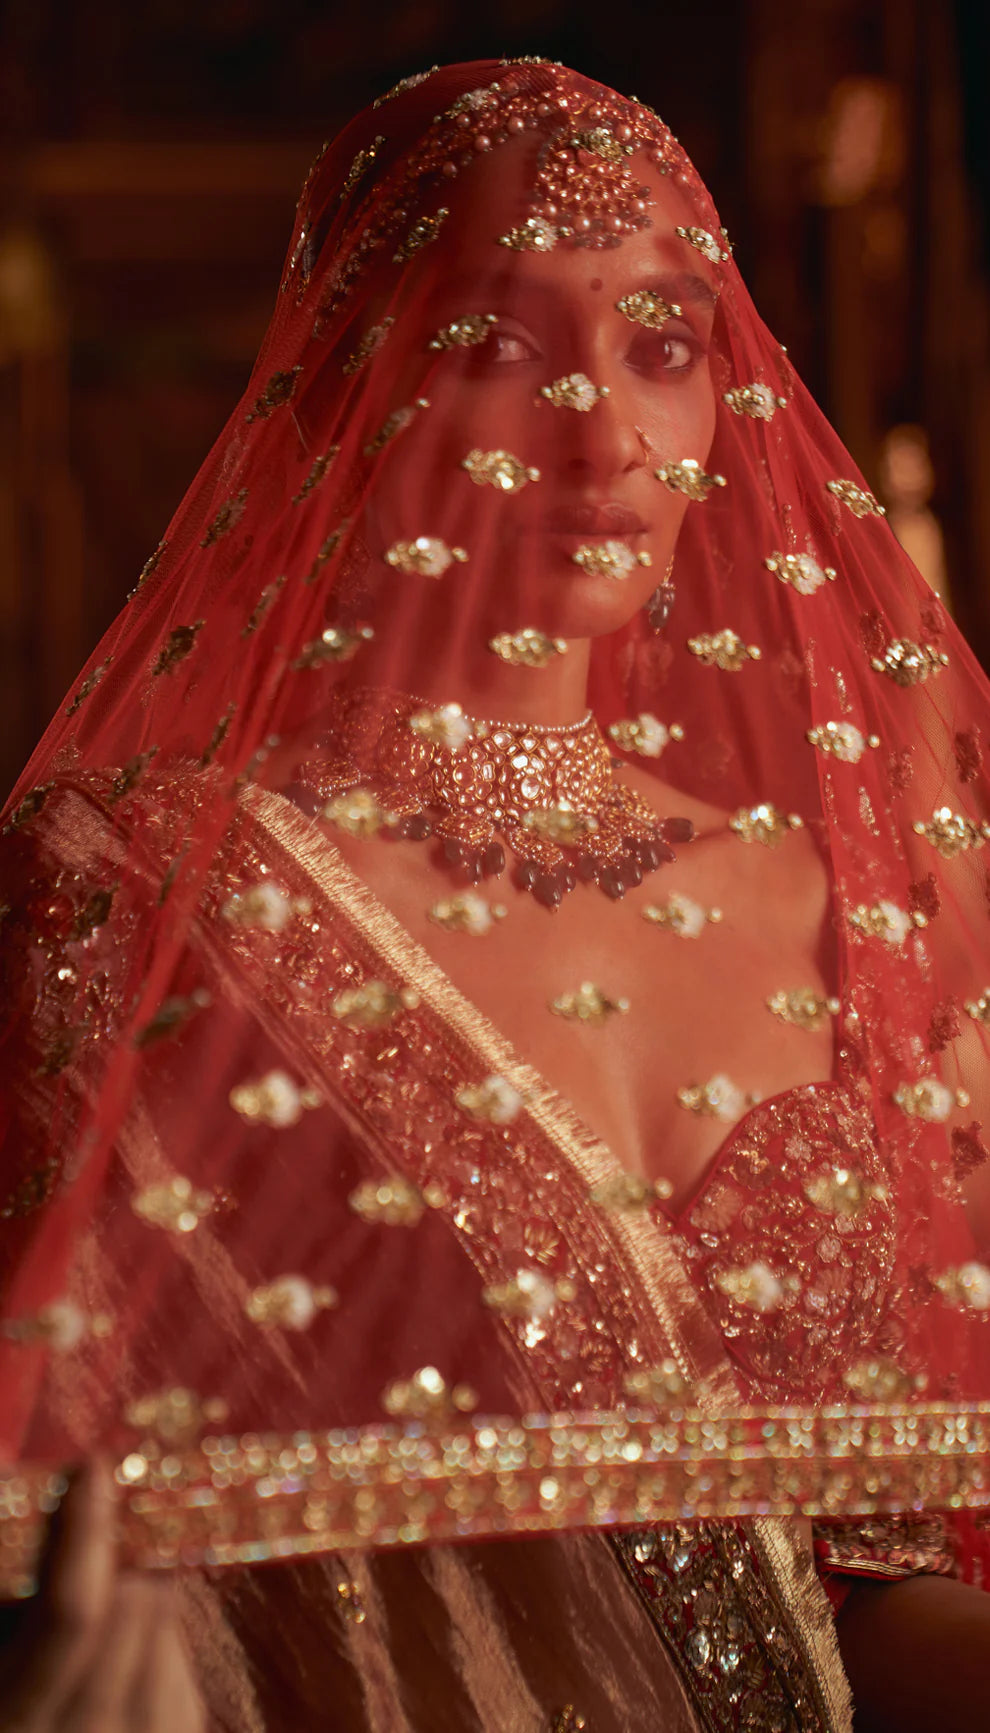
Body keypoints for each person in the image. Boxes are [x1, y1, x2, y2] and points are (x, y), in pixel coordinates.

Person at [2, 57, 990, 1732]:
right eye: (496, 349)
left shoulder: (840, 910)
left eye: (661, 348)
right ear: (338, 400)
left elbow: (853, 1603)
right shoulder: (135, 896)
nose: (602, 434)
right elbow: (80, 1554)